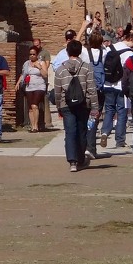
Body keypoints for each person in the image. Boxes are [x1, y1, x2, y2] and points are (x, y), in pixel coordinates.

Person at [54, 40, 97, 172]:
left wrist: (59, 106)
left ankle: (72, 161)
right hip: (83, 104)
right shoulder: (86, 67)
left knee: (70, 132)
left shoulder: (60, 69)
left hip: (66, 105)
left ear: (67, 52)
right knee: (82, 131)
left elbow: (57, 90)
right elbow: (91, 88)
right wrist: (95, 107)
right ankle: (80, 159)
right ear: (80, 52)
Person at [100, 32, 133, 149]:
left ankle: (104, 132)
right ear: (131, 40)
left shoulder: (109, 48)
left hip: (108, 84)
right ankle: (120, 140)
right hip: (120, 85)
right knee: (121, 112)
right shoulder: (129, 52)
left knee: (109, 109)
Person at [19, 46, 49, 132]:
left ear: (37, 55)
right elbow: (23, 74)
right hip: (29, 86)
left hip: (39, 86)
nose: (32, 56)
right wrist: (19, 83)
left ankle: (36, 126)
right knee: (30, 107)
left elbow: (45, 75)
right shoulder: (26, 63)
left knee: (34, 105)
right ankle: (32, 126)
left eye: (34, 54)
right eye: (30, 54)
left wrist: (39, 67)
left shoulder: (41, 62)